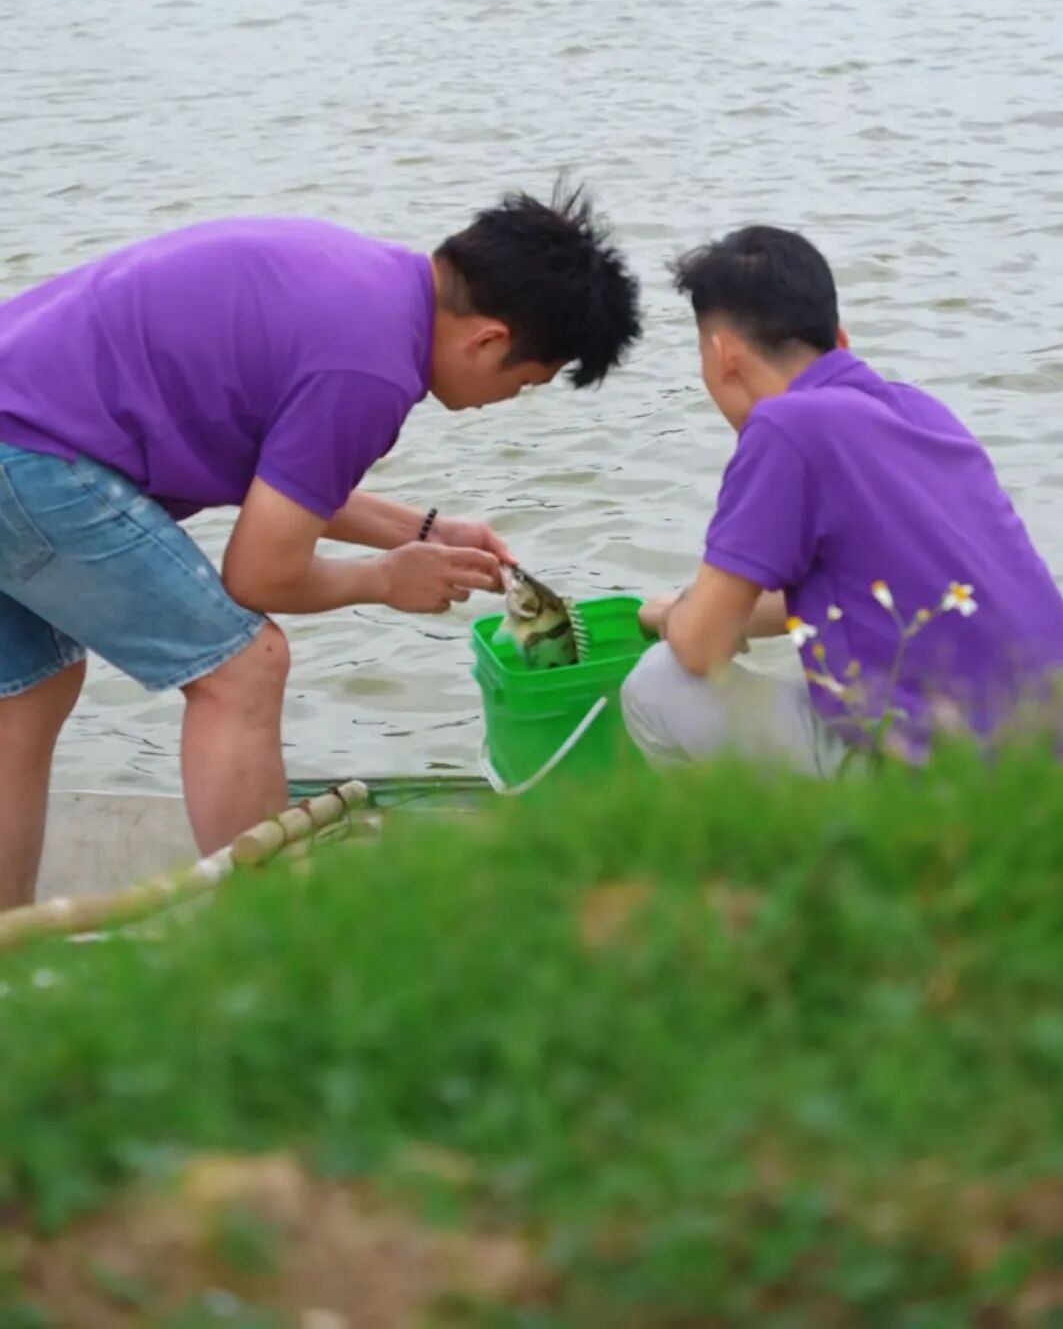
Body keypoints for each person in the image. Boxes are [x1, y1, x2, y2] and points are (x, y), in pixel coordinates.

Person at [0, 187, 641, 905]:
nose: (506, 403)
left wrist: (427, 533)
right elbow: (260, 573)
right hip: (25, 453)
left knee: (31, 692)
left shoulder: (369, 286)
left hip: (17, 417)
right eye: (524, 385)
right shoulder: (369, 370)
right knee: (242, 667)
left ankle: (9, 953)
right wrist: (386, 581)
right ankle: (269, 946)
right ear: (488, 339)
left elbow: (285, 488)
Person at [622, 225, 1063, 770]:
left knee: (657, 685)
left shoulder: (783, 427)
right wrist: (693, 608)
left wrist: (676, 618)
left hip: (946, 786)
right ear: (840, 339)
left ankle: (740, 850)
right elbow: (859, 590)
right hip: (1055, 764)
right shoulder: (922, 412)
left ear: (723, 354)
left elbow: (700, 649)